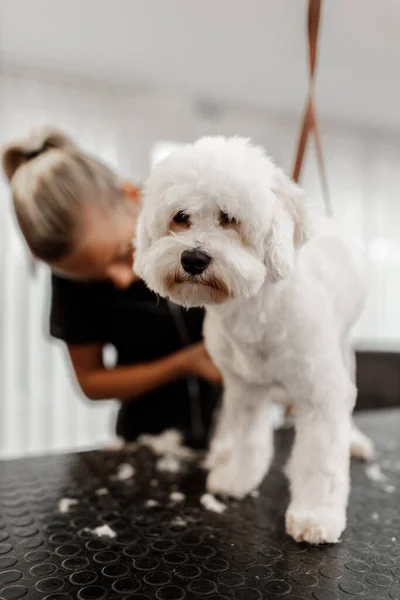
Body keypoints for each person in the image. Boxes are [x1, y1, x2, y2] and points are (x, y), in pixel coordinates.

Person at [2, 127, 222, 449]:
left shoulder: (197, 219)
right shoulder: (70, 279)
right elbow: (91, 381)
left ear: (133, 196)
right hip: (147, 440)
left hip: (231, 426)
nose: (121, 279)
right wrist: (184, 364)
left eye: (122, 251)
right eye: (94, 277)